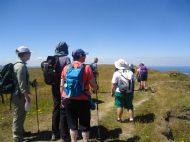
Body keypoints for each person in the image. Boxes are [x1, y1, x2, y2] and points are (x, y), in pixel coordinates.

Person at [60, 49, 98, 142]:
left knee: (72, 125)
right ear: (81, 56)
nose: (85, 56)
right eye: (84, 55)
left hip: (68, 99)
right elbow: (93, 85)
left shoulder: (66, 67)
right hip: (83, 99)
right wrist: (96, 88)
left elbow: (61, 85)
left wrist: (62, 98)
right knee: (84, 124)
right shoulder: (87, 67)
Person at [51, 42, 71, 141]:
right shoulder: (66, 59)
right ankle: (64, 132)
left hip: (54, 86)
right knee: (64, 107)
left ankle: (54, 133)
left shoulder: (52, 59)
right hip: (64, 86)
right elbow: (69, 73)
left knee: (56, 107)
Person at [12, 46, 32, 142]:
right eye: (29, 53)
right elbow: (21, 84)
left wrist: (31, 83)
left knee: (21, 114)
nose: (30, 54)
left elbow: (22, 80)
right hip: (19, 95)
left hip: (17, 95)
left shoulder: (19, 64)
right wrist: (26, 96)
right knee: (18, 115)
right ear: (24, 54)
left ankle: (21, 132)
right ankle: (17, 138)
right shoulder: (21, 66)